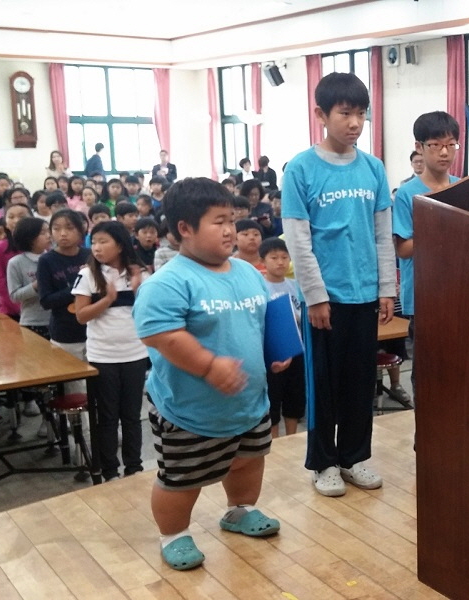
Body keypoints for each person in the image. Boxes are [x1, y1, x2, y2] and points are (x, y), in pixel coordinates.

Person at [133, 177, 288, 571]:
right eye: (218, 221)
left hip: (249, 403)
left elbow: (259, 320)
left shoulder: (246, 271)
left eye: (231, 220)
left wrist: (276, 352)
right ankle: (174, 536)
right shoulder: (168, 282)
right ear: (185, 228)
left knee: (249, 461)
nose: (229, 230)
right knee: (183, 480)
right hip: (191, 412)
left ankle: (239, 510)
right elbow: (161, 336)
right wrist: (207, 365)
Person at [282, 72, 396, 497]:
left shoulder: (373, 168)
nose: (354, 123)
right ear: (321, 115)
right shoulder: (301, 169)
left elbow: (383, 235)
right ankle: (323, 462)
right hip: (324, 299)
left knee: (358, 380)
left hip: (365, 293)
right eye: (345, 113)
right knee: (324, 383)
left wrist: (388, 289)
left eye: (361, 114)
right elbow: (298, 239)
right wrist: (315, 296)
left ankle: (354, 456)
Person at [392, 110, 461, 403]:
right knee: (428, 371)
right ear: (419, 147)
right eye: (435, 145)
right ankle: (426, 442)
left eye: (451, 144)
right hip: (423, 297)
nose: (444, 152)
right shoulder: (407, 194)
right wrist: (438, 230)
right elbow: (403, 249)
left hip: (459, 292)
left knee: (458, 371)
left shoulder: (462, 186)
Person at [73, 220, 149, 482]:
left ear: (120, 244)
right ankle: (109, 470)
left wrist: (140, 291)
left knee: (131, 416)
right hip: (102, 357)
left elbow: (151, 312)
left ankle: (134, 467)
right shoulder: (88, 276)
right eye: (93, 242)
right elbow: (81, 316)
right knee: (106, 417)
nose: (97, 247)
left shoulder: (138, 273)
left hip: (135, 354)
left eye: (103, 241)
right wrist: (106, 300)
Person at [37, 209, 90, 381]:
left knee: (97, 384)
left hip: (93, 329)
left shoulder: (89, 255)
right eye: (56, 229)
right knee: (73, 386)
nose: (63, 234)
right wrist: (79, 285)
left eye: (69, 228)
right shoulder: (46, 260)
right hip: (65, 332)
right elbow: (46, 301)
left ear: (81, 230)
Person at [259, 237, 305, 437]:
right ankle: (275, 442)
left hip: (298, 348)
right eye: (274, 257)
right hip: (273, 353)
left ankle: (292, 437)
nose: (280, 262)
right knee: (273, 398)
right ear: (263, 260)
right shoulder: (259, 287)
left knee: (295, 396)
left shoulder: (296, 285)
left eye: (285, 257)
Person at [8, 217, 52, 340]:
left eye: (49, 231)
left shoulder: (53, 257)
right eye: (43, 233)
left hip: (57, 320)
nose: (49, 236)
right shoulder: (16, 262)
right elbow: (15, 296)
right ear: (29, 237)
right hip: (33, 322)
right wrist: (37, 285)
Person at [0, 203, 33, 320]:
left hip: (38, 309)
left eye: (22, 216)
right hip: (10, 309)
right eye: (11, 217)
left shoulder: (41, 245)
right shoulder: (0, 248)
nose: (16, 221)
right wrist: (18, 307)